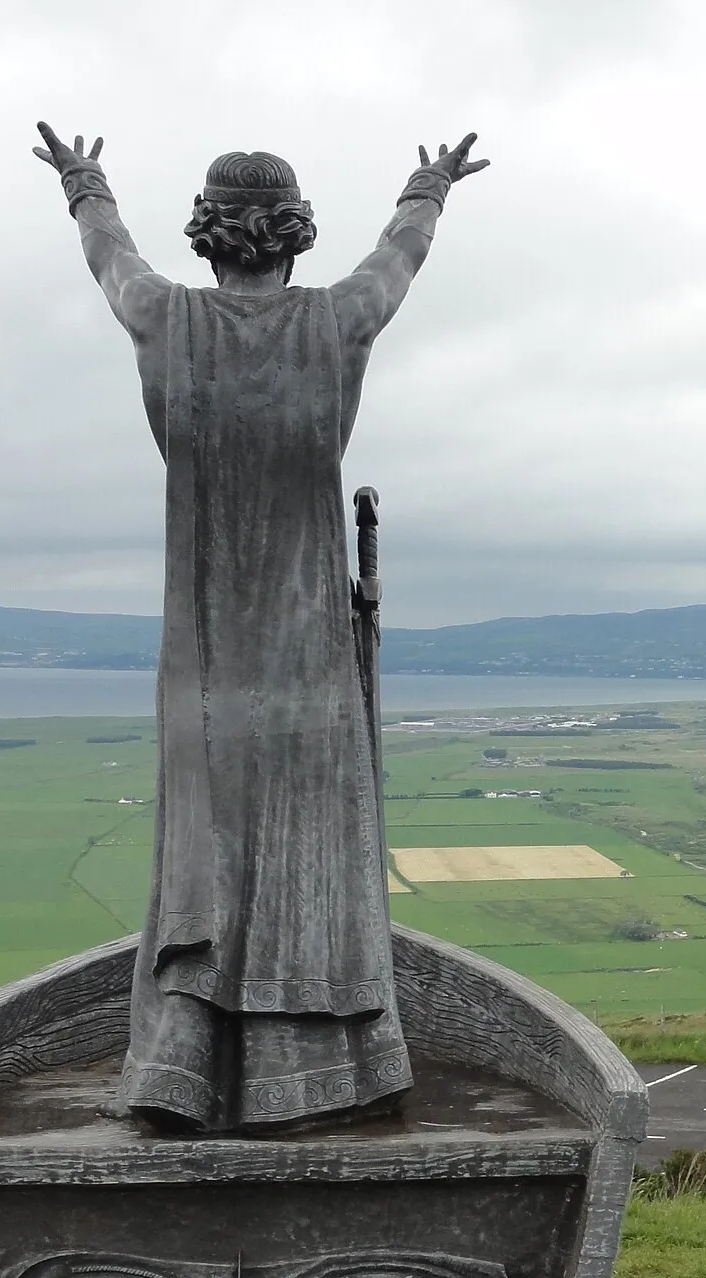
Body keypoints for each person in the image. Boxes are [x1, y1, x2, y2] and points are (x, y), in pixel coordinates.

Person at [31, 122, 488, 1133]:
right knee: (309, 855)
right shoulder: (336, 324)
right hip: (308, 648)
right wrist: (427, 188)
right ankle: (316, 1074)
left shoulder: (162, 319)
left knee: (206, 853)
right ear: (293, 235)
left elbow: (112, 260)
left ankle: (181, 1071)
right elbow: (394, 261)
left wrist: (84, 182)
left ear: (207, 235)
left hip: (202, 655)